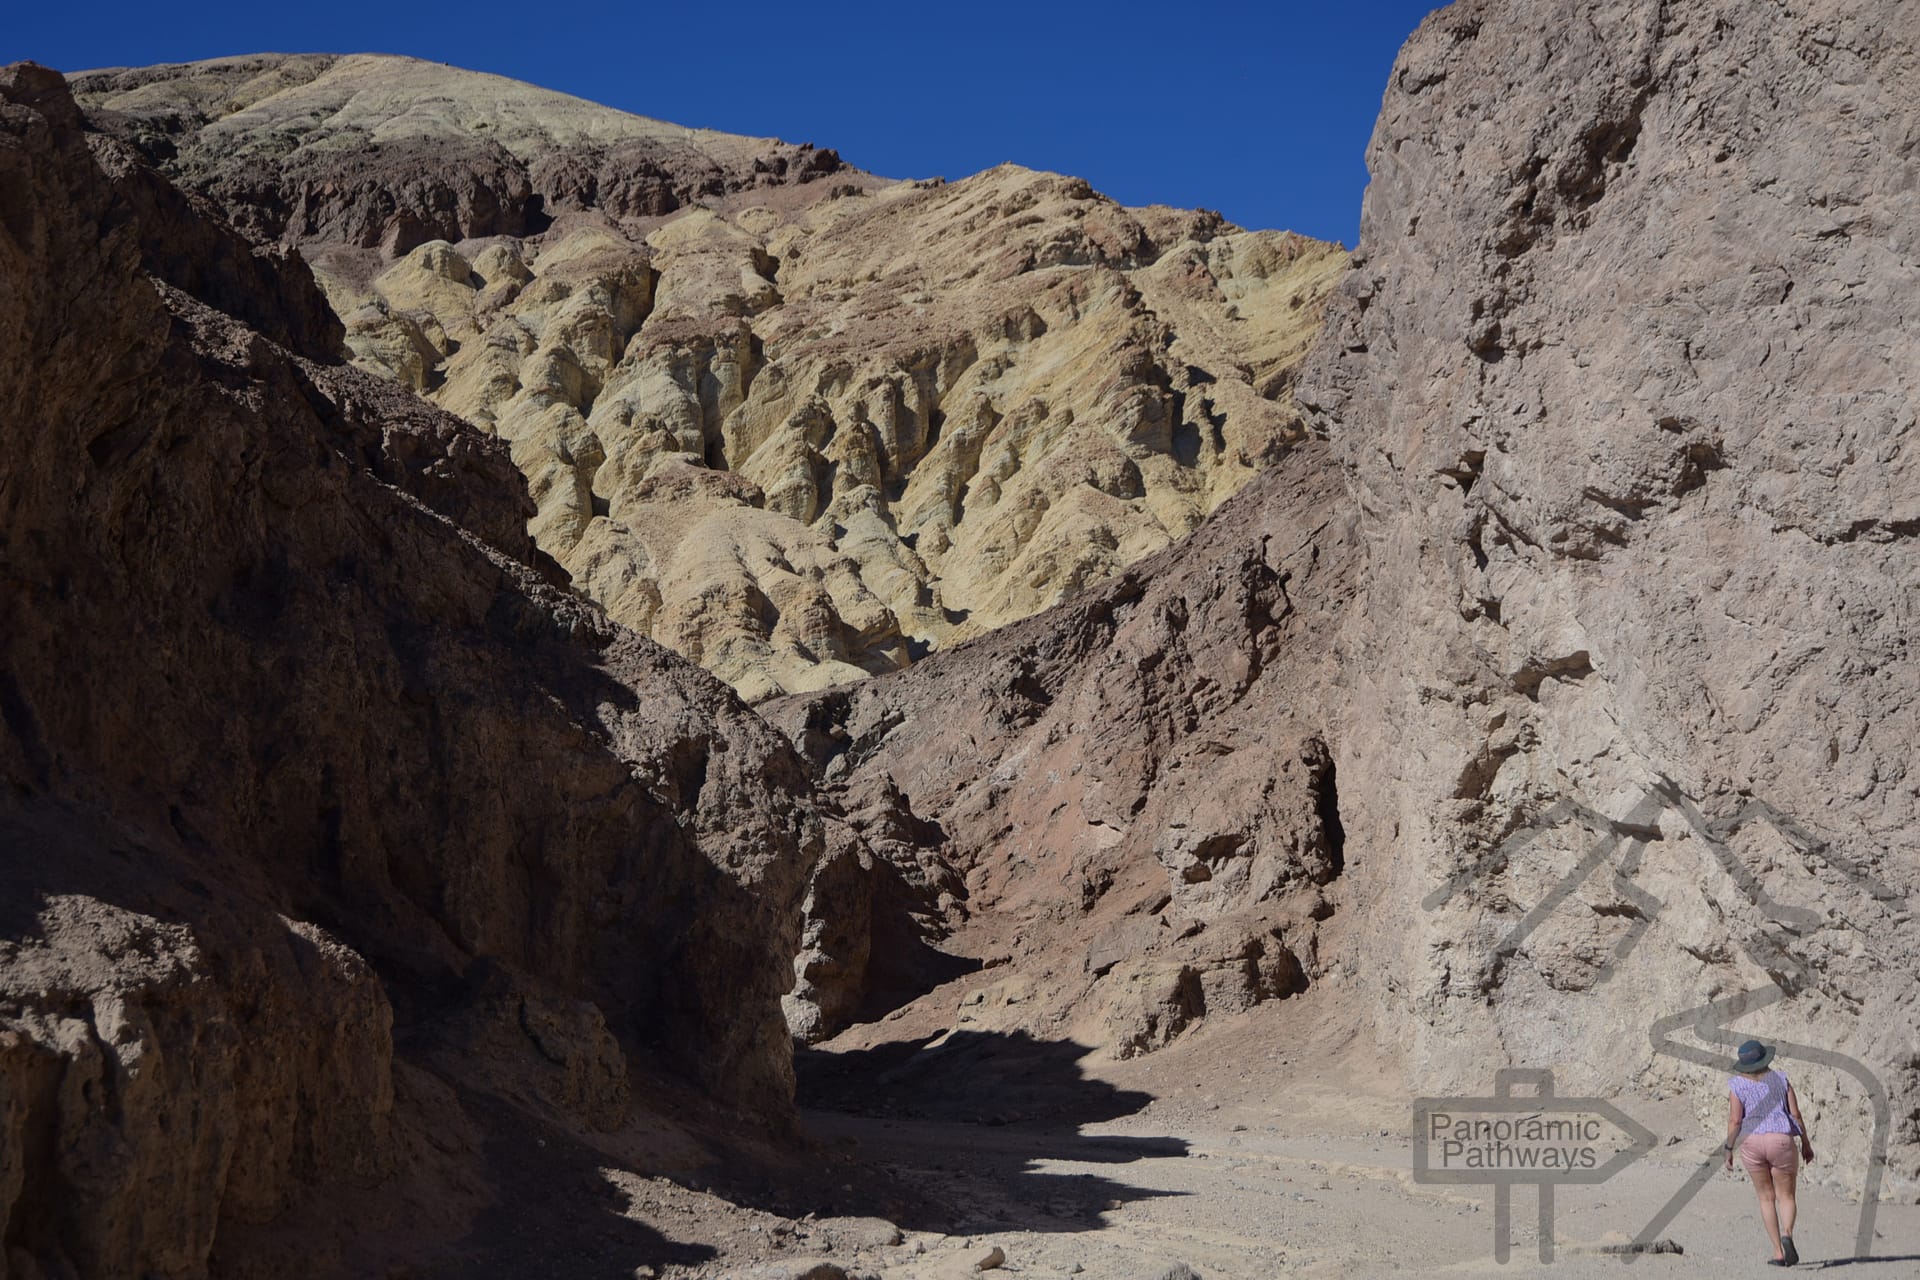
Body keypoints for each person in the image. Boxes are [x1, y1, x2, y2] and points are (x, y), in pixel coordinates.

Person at [1722, 1038, 1815, 1266]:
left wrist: (1728, 1148)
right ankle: (1787, 1234)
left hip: (1751, 1142)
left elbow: (1735, 1120)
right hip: (1780, 1140)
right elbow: (1796, 1115)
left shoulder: (1736, 1085)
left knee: (1765, 1198)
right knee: (1787, 1196)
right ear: (1765, 1058)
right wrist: (1805, 1143)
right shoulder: (1781, 1080)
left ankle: (1777, 1252)